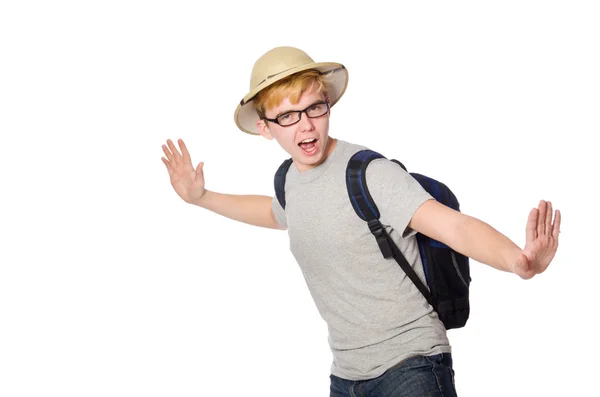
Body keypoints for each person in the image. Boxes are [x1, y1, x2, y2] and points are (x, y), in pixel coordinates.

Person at [161, 46, 561, 397]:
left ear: (327, 105)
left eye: (315, 107)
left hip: (412, 366)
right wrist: (202, 198)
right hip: (346, 376)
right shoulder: (289, 182)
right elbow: (274, 212)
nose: (306, 124)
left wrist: (518, 262)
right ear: (264, 127)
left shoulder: (370, 174)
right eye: (288, 115)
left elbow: (453, 227)